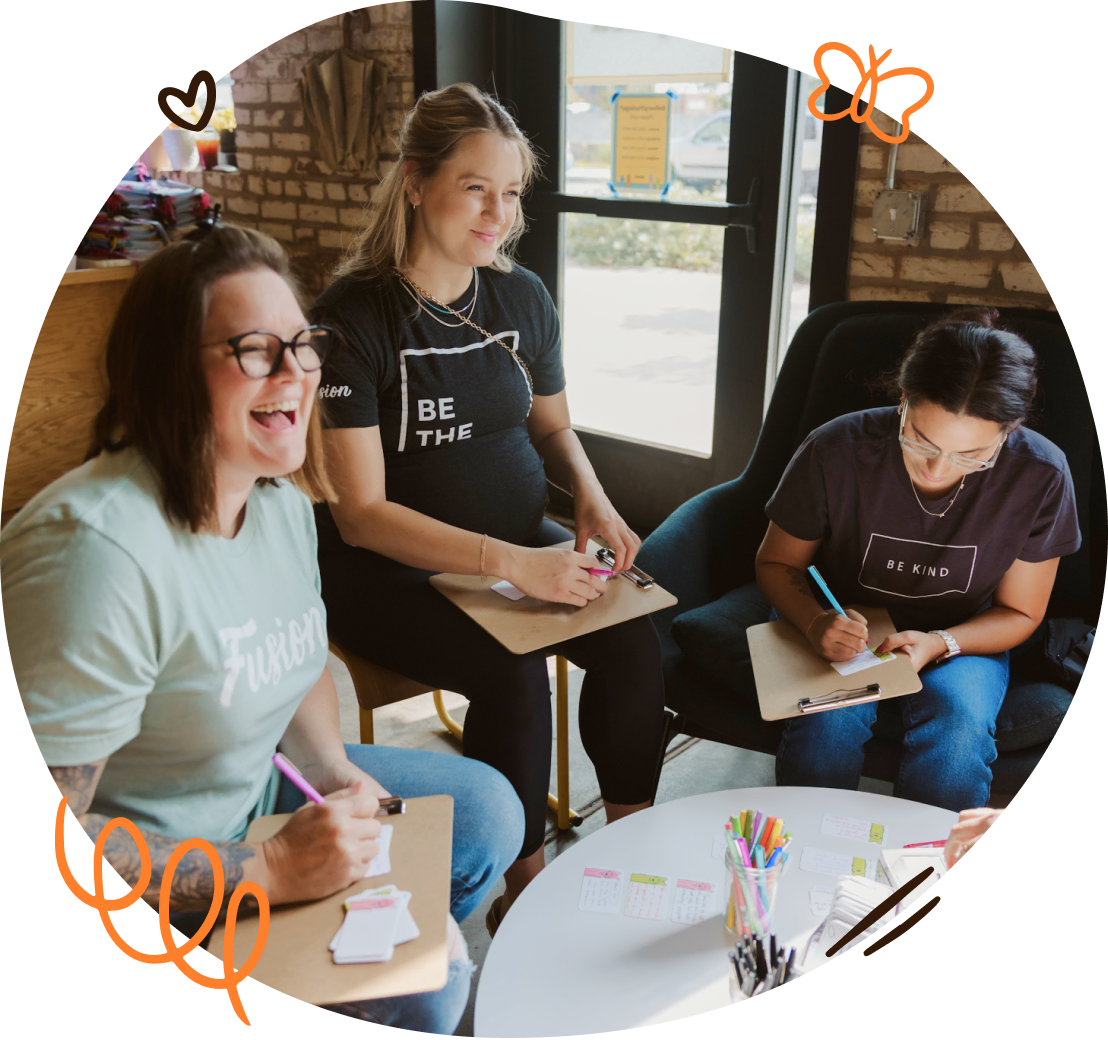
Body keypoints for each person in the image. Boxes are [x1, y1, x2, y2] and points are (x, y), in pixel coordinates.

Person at [1, 224, 524, 1037]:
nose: (298, 373)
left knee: (485, 811)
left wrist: (334, 769)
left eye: (303, 343)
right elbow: (33, 851)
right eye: (254, 349)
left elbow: (298, 657)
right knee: (435, 989)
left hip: (248, 800)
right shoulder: (94, 555)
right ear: (168, 375)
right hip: (132, 892)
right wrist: (271, 870)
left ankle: (320, 991)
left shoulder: (276, 504)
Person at [308, 83, 667, 934]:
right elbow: (359, 513)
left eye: (510, 193)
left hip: (520, 544)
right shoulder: (350, 322)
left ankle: (636, 856)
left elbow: (553, 426)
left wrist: (591, 498)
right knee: (510, 669)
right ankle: (526, 894)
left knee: (633, 639)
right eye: (476, 187)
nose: (498, 213)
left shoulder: (522, 298)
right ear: (415, 182)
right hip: (385, 574)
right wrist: (515, 564)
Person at [754, 308, 1081, 812]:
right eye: (920, 441)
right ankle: (805, 863)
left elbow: (1021, 612)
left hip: (964, 632)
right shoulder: (837, 449)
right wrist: (817, 621)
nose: (936, 469)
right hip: (841, 618)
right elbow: (777, 564)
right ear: (903, 401)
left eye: (972, 455)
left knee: (958, 732)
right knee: (828, 721)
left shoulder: (1040, 474)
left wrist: (940, 643)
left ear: (1007, 432)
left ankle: (929, 879)